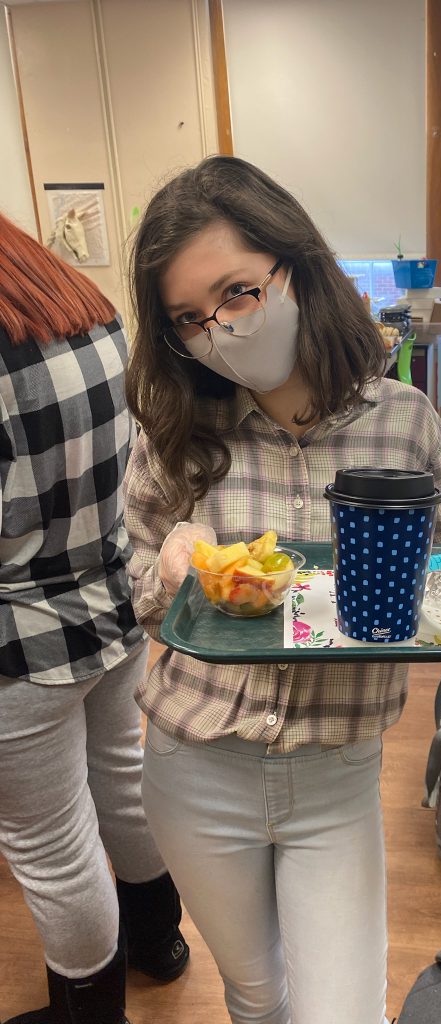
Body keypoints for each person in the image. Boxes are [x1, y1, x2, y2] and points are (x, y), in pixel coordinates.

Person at [123, 155, 441, 1024]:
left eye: (237, 293)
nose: (219, 332)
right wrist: (166, 567)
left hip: (334, 772)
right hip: (193, 763)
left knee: (337, 1010)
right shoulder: (175, 427)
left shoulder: (401, 417)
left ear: (297, 268)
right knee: (254, 995)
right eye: (189, 320)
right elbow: (137, 581)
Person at [0, 213, 188, 1024]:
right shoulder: (86, 312)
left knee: (50, 844)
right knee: (121, 779)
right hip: (109, 602)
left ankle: (89, 1010)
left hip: (21, 642)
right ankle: (161, 941)